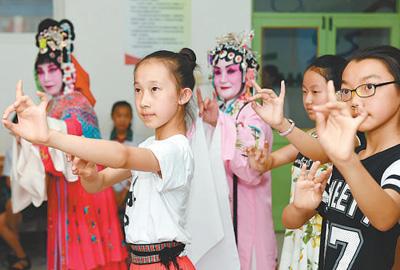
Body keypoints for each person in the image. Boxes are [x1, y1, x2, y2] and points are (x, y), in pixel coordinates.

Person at [3, 48, 199, 270]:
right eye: (138, 90)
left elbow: (122, 156)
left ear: (183, 95)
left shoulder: (176, 149)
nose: (143, 101)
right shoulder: (149, 147)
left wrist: (50, 137)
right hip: (139, 262)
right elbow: (99, 184)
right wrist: (89, 174)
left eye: (154, 89)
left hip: (164, 264)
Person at [10, 18, 127, 269]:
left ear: (66, 70)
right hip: (63, 187)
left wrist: (40, 134)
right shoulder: (51, 104)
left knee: (86, 258)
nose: (47, 77)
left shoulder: (77, 102)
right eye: (41, 71)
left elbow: (76, 141)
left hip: (85, 187)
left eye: (52, 69)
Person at [277, 46, 400, 269]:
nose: (354, 99)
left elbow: (385, 218)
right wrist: (301, 207)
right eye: (347, 90)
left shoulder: (392, 161)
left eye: (369, 86)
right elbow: (290, 221)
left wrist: (346, 161)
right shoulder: (353, 155)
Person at [247, 55, 348, 269]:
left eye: (315, 91)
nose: (308, 99)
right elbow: (274, 160)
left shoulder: (347, 136)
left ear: (340, 93)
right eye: (304, 92)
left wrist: (282, 124)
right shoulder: (310, 135)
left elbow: (321, 153)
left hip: (324, 232)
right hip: (300, 227)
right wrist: (260, 161)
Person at [197, 31, 277, 270]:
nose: (223, 79)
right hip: (222, 208)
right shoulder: (218, 110)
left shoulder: (254, 111)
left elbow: (251, 170)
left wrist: (219, 122)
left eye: (231, 71)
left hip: (246, 208)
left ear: (248, 75)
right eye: (218, 71)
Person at [0, 115, 30, 270]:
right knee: (2, 221)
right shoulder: (11, 151)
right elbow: (8, 182)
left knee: (11, 208)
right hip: (17, 197)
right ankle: (22, 256)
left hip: (37, 200)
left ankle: (18, 255)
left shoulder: (38, 149)